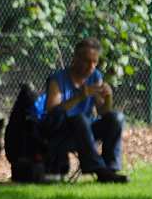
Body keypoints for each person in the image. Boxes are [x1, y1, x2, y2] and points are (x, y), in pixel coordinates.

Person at [39, 37, 128, 183]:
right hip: (62, 133)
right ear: (75, 58)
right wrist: (80, 96)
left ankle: (111, 169)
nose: (91, 66)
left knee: (116, 118)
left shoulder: (95, 76)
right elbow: (52, 111)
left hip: (86, 131)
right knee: (80, 118)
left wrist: (108, 97)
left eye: (95, 62)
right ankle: (99, 170)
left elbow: (103, 112)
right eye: (87, 61)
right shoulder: (57, 79)